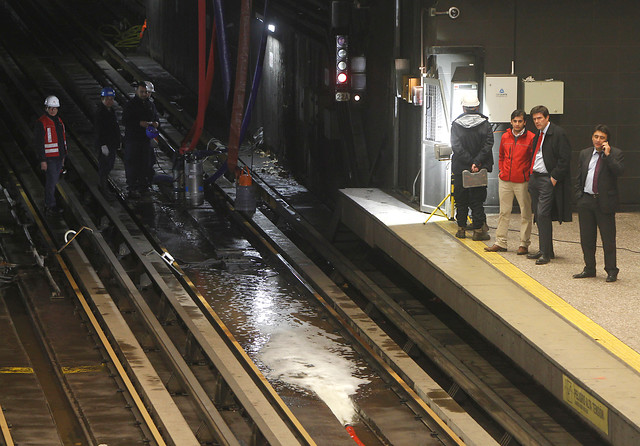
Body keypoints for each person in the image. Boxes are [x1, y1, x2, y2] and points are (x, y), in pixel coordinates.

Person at [573, 125, 624, 282]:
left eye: (602, 137)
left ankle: (611, 270)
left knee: (608, 239)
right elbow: (580, 176)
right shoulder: (584, 153)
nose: (598, 140)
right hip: (586, 200)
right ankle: (589, 268)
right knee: (586, 238)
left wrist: (608, 156)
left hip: (605, 202)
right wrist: (579, 196)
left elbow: (619, 172)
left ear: (607, 140)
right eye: (596, 136)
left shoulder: (616, 153)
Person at [527, 105, 572, 265]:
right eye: (534, 119)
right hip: (535, 178)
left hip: (548, 179)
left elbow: (565, 159)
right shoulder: (537, 135)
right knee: (538, 216)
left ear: (547, 118)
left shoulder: (558, 133)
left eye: (540, 118)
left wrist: (554, 177)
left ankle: (545, 253)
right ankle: (545, 249)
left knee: (543, 214)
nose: (537, 122)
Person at [485, 110, 535, 254]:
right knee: (503, 212)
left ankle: (524, 244)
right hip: (505, 179)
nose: (517, 124)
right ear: (511, 121)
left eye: (520, 121)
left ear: (525, 122)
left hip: (522, 181)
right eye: (515, 121)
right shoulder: (505, 136)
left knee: (525, 213)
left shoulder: (531, 138)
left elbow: (533, 159)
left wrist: (528, 175)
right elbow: (501, 155)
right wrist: (502, 170)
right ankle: (500, 242)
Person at [450, 92, 494, 240]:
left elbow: (456, 146)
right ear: (477, 106)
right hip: (479, 168)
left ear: (463, 108)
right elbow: (488, 145)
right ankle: (478, 231)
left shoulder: (456, 124)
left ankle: (461, 229)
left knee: (460, 200)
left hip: (460, 167)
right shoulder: (485, 124)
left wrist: (469, 162)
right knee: (477, 200)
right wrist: (476, 162)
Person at [122, 81, 159, 198]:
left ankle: (144, 186)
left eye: (147, 92)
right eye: (142, 92)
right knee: (133, 163)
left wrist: (156, 123)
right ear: (137, 91)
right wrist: (139, 123)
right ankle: (132, 187)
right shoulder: (131, 105)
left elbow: (156, 118)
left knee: (146, 163)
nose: (144, 94)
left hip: (146, 140)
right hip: (133, 139)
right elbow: (125, 121)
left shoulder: (151, 105)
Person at [35, 95, 67, 217]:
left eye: (55, 108)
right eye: (50, 108)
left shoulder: (59, 122)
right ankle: (50, 205)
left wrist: (63, 157)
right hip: (49, 159)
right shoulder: (41, 122)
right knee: (51, 182)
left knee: (53, 182)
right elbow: (39, 143)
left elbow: (62, 140)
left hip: (58, 157)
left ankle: (51, 203)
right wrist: (43, 160)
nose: (53, 110)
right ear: (46, 108)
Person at [94, 87, 121, 200]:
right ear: (102, 99)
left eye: (111, 99)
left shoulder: (111, 111)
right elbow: (98, 130)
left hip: (112, 144)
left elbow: (115, 128)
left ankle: (104, 188)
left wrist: (118, 141)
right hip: (105, 145)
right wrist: (102, 145)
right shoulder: (100, 113)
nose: (109, 101)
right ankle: (104, 190)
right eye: (107, 99)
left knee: (109, 166)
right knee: (104, 168)